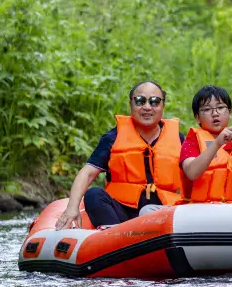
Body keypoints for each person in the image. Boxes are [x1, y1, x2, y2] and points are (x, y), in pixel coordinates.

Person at [55, 81, 185, 230]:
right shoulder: (112, 137)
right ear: (131, 104)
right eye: (140, 101)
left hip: (163, 212)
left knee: (157, 211)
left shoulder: (178, 139)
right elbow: (88, 173)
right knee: (94, 195)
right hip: (121, 212)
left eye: (155, 102)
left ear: (163, 105)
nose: (147, 107)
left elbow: (193, 174)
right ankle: (116, 238)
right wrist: (72, 208)